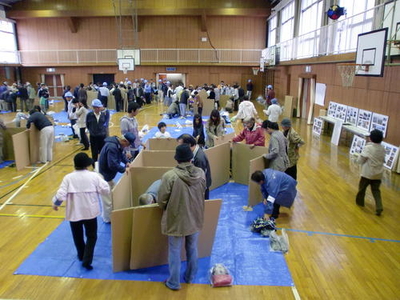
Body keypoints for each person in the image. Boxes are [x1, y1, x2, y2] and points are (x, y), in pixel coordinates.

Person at [157, 144, 206, 290]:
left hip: (176, 218)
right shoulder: (201, 173)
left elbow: (162, 200)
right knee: (192, 248)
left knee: (174, 251)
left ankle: (173, 282)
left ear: (177, 159)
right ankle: (190, 277)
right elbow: (203, 190)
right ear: (191, 158)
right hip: (195, 216)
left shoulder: (169, 176)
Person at [52, 152, 110, 270]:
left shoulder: (68, 178)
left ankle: (81, 255)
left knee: (77, 236)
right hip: (90, 211)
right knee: (91, 236)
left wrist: (56, 204)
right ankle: (87, 259)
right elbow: (106, 190)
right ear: (87, 165)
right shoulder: (94, 176)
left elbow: (61, 194)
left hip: (74, 212)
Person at [98, 132, 136, 223]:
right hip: (104, 177)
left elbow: (121, 155)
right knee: (107, 201)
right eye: (128, 144)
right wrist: (124, 169)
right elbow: (112, 164)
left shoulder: (117, 144)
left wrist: (127, 162)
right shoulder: (112, 147)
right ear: (124, 140)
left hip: (108, 176)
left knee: (114, 194)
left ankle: (108, 216)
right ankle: (107, 219)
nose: (128, 146)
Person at [354, 129, 386, 216]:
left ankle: (360, 203)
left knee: (362, 189)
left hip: (367, 174)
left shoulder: (368, 148)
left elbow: (361, 160)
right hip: (378, 174)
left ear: (371, 138)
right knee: (376, 191)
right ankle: (379, 206)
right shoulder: (383, 148)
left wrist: (357, 159)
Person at [177, 134, 211, 200]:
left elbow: (199, 179)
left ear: (189, 145)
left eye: (181, 145)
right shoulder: (194, 152)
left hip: (201, 189)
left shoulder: (199, 158)